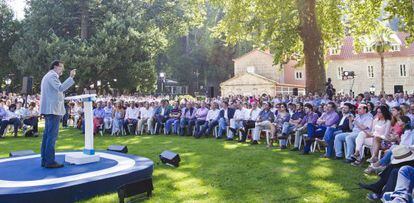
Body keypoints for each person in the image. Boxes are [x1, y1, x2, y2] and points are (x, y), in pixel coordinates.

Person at [40, 60, 76, 168]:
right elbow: (60, 88)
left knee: (47, 136)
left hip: (50, 110)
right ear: (56, 67)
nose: (62, 70)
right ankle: (49, 161)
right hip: (52, 110)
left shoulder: (49, 76)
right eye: (61, 67)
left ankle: (45, 160)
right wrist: (71, 77)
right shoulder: (52, 76)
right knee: (51, 136)